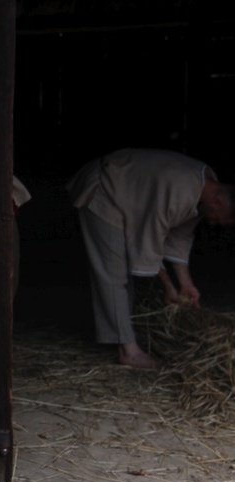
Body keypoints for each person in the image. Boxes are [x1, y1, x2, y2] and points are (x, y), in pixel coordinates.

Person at [67, 148, 235, 370]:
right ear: (218, 202)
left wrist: (186, 284)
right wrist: (168, 286)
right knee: (114, 272)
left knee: (124, 274)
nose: (213, 223)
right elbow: (147, 240)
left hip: (129, 192)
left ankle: (126, 337)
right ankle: (128, 350)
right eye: (218, 219)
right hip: (107, 187)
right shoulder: (179, 191)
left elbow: (180, 236)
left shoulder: (206, 184)